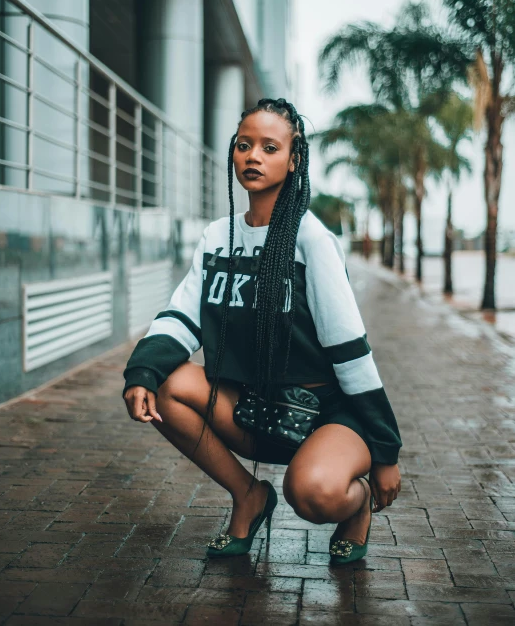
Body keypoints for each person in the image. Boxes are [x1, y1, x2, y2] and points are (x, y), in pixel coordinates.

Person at [123, 97, 402, 563]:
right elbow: (182, 315)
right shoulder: (218, 235)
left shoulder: (312, 240)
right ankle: (248, 496)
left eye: (270, 147)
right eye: (244, 145)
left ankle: (357, 507)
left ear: (294, 161)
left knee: (312, 493)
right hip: (255, 408)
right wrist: (141, 373)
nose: (253, 156)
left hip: (326, 415)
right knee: (168, 381)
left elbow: (350, 350)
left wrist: (386, 453)